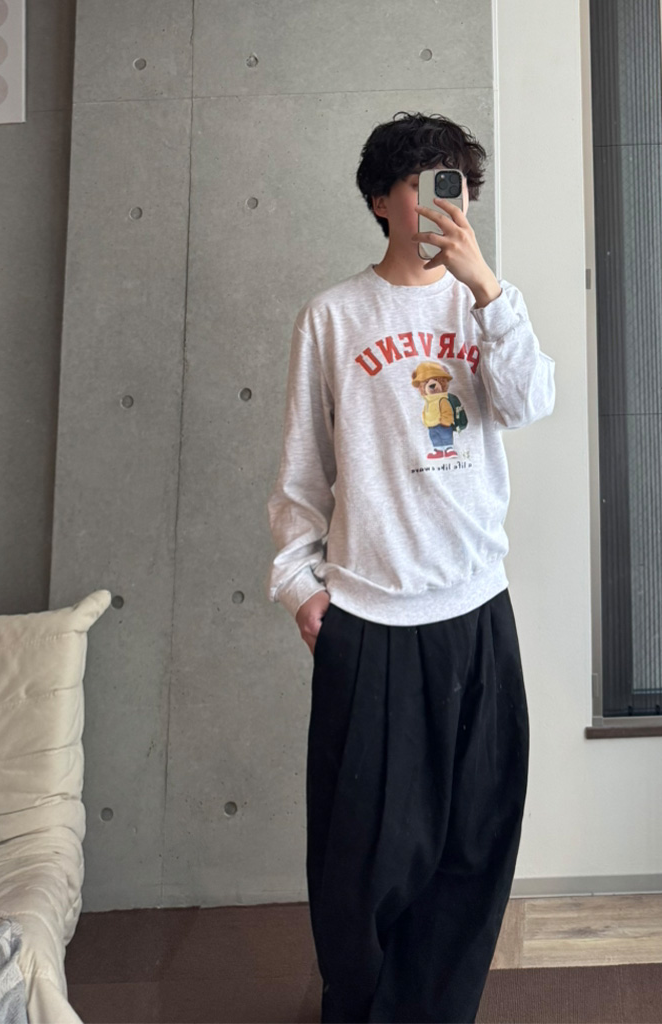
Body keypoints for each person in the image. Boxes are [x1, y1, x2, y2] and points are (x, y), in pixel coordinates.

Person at [266, 111, 556, 1024]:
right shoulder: (333, 316)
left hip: (476, 613)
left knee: (475, 844)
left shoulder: (486, 307)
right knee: (361, 864)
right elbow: (302, 473)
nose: (442, 203)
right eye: (424, 183)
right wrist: (300, 587)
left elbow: (530, 403)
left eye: (455, 185)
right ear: (381, 202)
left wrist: (488, 290)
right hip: (371, 620)